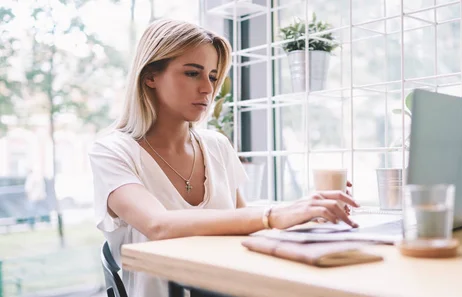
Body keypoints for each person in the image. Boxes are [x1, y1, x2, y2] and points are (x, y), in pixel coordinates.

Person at [89, 19, 360, 297]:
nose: (208, 89)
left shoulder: (217, 145)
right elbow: (158, 225)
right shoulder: (113, 152)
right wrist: (275, 215)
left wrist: (308, 216)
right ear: (150, 76)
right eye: (193, 73)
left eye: (213, 76)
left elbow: (245, 227)